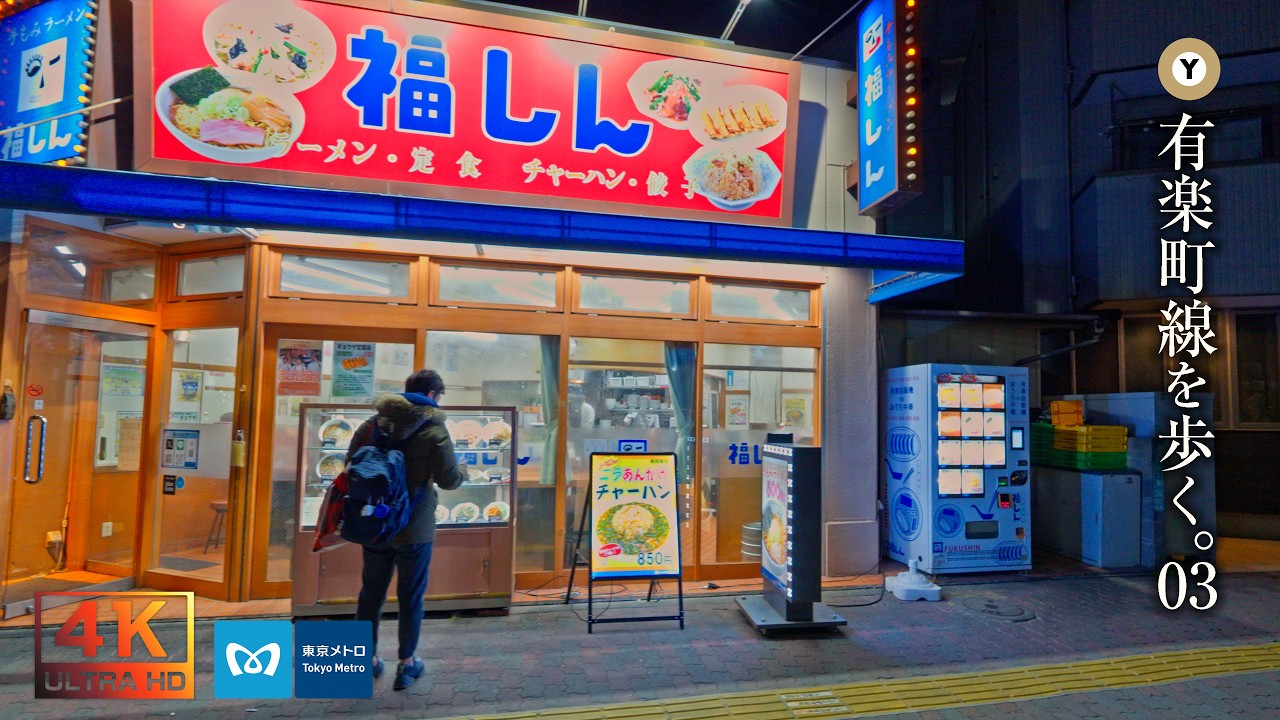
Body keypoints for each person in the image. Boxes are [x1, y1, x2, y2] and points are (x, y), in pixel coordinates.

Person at [346, 369, 466, 690]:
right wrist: (462, 470)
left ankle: (366, 660)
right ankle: (407, 664)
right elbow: (449, 479)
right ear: (432, 395)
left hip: (374, 522)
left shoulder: (371, 424)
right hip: (414, 526)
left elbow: (350, 467)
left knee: (371, 592)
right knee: (410, 597)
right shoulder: (433, 429)